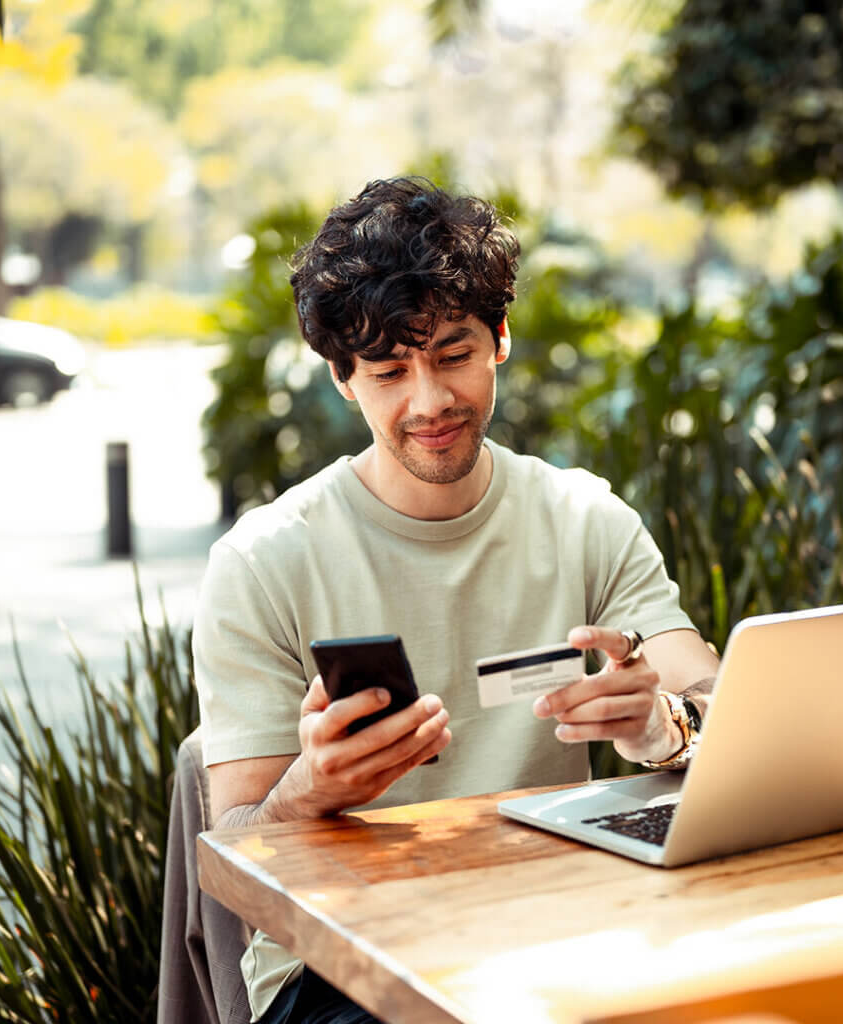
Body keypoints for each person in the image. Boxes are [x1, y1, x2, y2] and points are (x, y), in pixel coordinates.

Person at [192, 176, 720, 1024]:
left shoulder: (585, 518)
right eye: (390, 370)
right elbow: (239, 843)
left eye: (452, 355)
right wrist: (310, 787)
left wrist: (665, 727)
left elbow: (716, 706)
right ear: (342, 378)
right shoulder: (263, 561)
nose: (429, 402)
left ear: (500, 340)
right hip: (340, 970)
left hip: (562, 925)